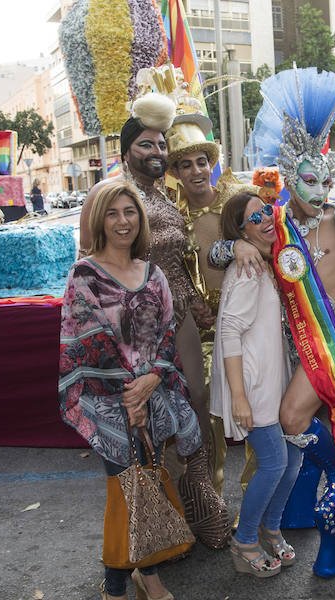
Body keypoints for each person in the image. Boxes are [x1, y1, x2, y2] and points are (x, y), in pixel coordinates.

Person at [214, 66, 335, 578]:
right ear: (289, 176)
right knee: (315, 428)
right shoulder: (271, 225)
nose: (319, 188)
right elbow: (213, 249)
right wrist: (235, 246)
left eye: (327, 177)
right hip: (295, 343)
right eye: (308, 178)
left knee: (296, 422)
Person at [80, 91, 230, 550]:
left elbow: (177, 256)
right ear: (127, 151)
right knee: (147, 420)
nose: (157, 152)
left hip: (179, 312)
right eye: (146, 144)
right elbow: (94, 260)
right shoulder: (116, 197)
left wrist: (195, 298)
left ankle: (200, 505)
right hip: (136, 324)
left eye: (161, 145)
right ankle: (159, 525)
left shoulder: (165, 196)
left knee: (196, 403)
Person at [60, 181, 201, 600]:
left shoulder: (153, 274)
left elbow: (167, 334)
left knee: (144, 486)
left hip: (151, 394)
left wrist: (153, 379)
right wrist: (130, 398)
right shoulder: (84, 275)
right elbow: (88, 340)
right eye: (113, 213)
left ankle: (141, 575)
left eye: (130, 212)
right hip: (108, 402)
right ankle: (123, 582)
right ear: (99, 220)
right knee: (126, 489)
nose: (123, 221)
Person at [165, 100, 261, 498]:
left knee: (258, 405)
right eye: (185, 165)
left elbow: (272, 240)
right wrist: (190, 304)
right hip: (205, 329)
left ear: (211, 162)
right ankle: (213, 500)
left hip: (250, 320)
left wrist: (237, 244)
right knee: (210, 416)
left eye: (201, 161)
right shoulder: (173, 216)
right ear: (176, 173)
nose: (196, 171)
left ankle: (260, 496)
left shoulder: (240, 198)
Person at [211, 191, 302, 577]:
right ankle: (244, 541)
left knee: (293, 458)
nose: (266, 218)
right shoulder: (247, 268)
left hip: (274, 382)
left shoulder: (265, 262)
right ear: (240, 231)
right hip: (252, 387)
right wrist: (239, 397)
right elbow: (230, 332)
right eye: (254, 217)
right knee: (274, 462)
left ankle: (271, 526)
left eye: (267, 210)